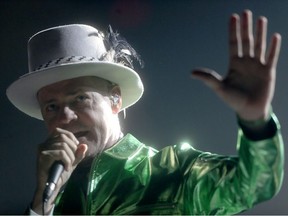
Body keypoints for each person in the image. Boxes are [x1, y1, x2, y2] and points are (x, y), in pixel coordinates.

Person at [6, 9, 284, 215]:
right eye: (51, 106)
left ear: (116, 99)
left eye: (79, 98)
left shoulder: (174, 172)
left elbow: (253, 185)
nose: (64, 117)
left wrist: (255, 121)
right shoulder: (49, 202)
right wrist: (42, 201)